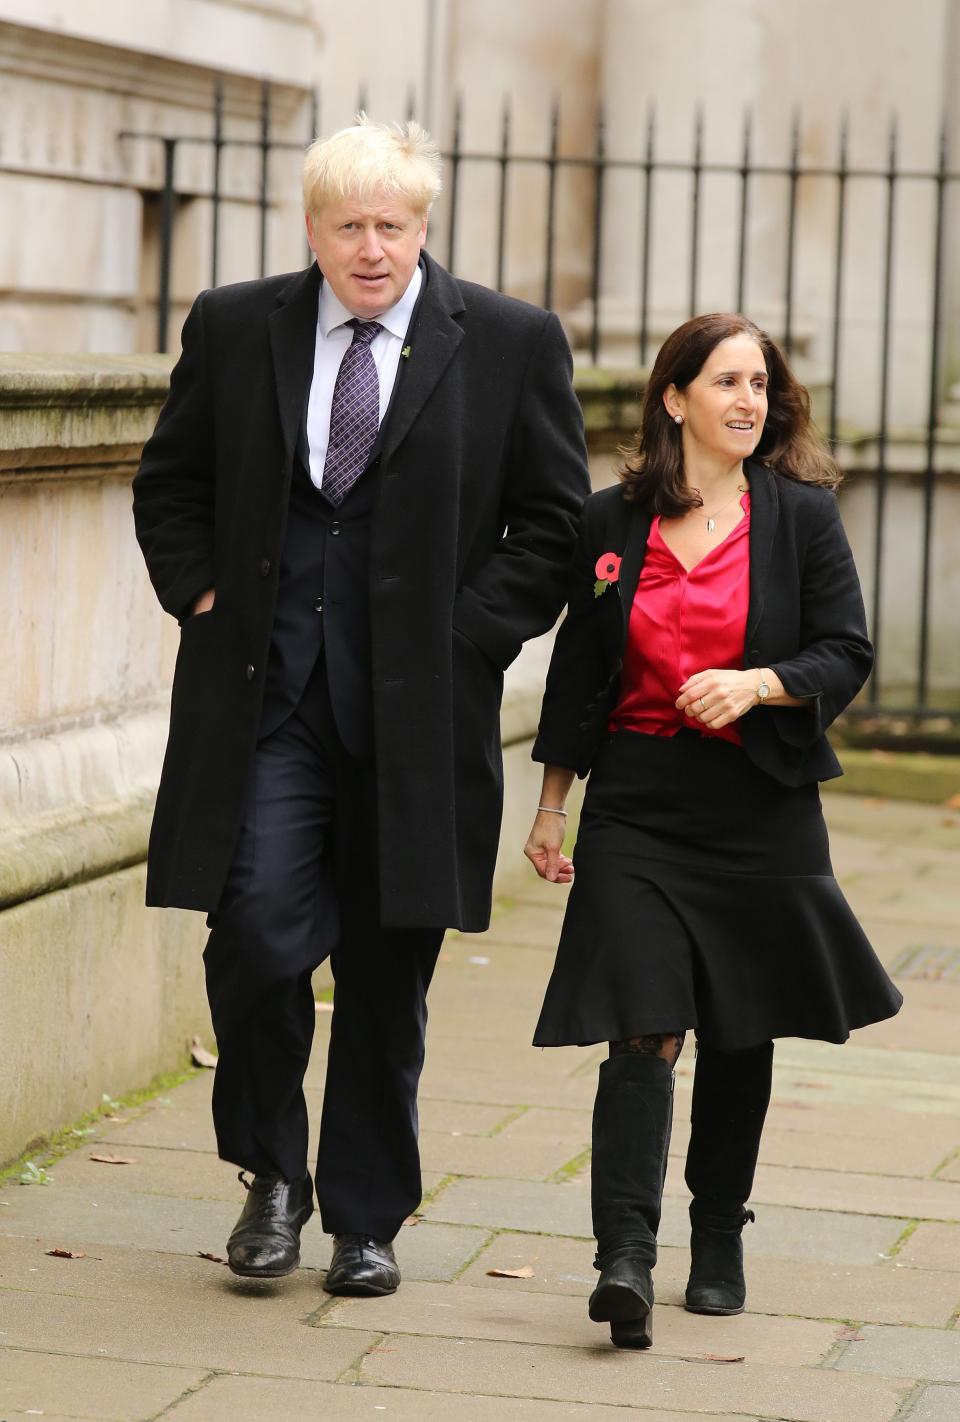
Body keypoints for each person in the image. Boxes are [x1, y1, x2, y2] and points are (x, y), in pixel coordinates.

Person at [132, 117, 589, 1297]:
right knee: (255, 939)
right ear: (312, 229)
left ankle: (368, 1219)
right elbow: (171, 478)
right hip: (266, 702)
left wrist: (467, 640)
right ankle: (272, 1173)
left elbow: (551, 524)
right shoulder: (237, 326)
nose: (372, 248)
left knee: (391, 978)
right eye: (350, 226)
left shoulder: (508, 341)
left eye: (392, 226)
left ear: (424, 228)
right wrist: (200, 594)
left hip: (418, 724)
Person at [523, 312, 902, 1350]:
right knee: (642, 1021)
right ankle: (625, 1258)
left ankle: (719, 1235)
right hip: (639, 805)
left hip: (757, 807)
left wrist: (762, 684)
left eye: (761, 384)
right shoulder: (611, 523)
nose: (749, 400)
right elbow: (576, 674)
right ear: (674, 398)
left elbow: (846, 649)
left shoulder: (801, 519)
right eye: (727, 381)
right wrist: (555, 803)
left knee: (741, 1026)